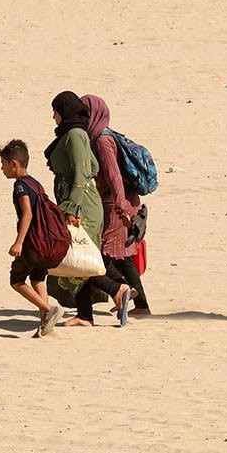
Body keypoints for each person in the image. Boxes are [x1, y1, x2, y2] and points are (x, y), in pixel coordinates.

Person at [45, 91, 134, 327]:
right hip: (76, 202)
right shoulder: (71, 134)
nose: (53, 116)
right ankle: (85, 314)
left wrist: (73, 208)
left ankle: (119, 289)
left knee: (81, 255)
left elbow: (81, 174)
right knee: (78, 256)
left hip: (82, 204)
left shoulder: (75, 135)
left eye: (55, 111)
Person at [83, 94, 151, 317]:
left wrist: (121, 209)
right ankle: (140, 305)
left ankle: (124, 291)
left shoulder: (102, 141)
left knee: (101, 254)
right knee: (123, 257)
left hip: (116, 203)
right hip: (120, 201)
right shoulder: (100, 137)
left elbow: (114, 177)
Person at [0, 139, 65, 337]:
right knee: (37, 279)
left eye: (3, 164)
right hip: (45, 241)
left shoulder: (20, 186)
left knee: (16, 280)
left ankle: (48, 309)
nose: (2, 169)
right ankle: (46, 324)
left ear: (14, 164)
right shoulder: (35, 183)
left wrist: (19, 242)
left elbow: (27, 213)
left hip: (31, 242)